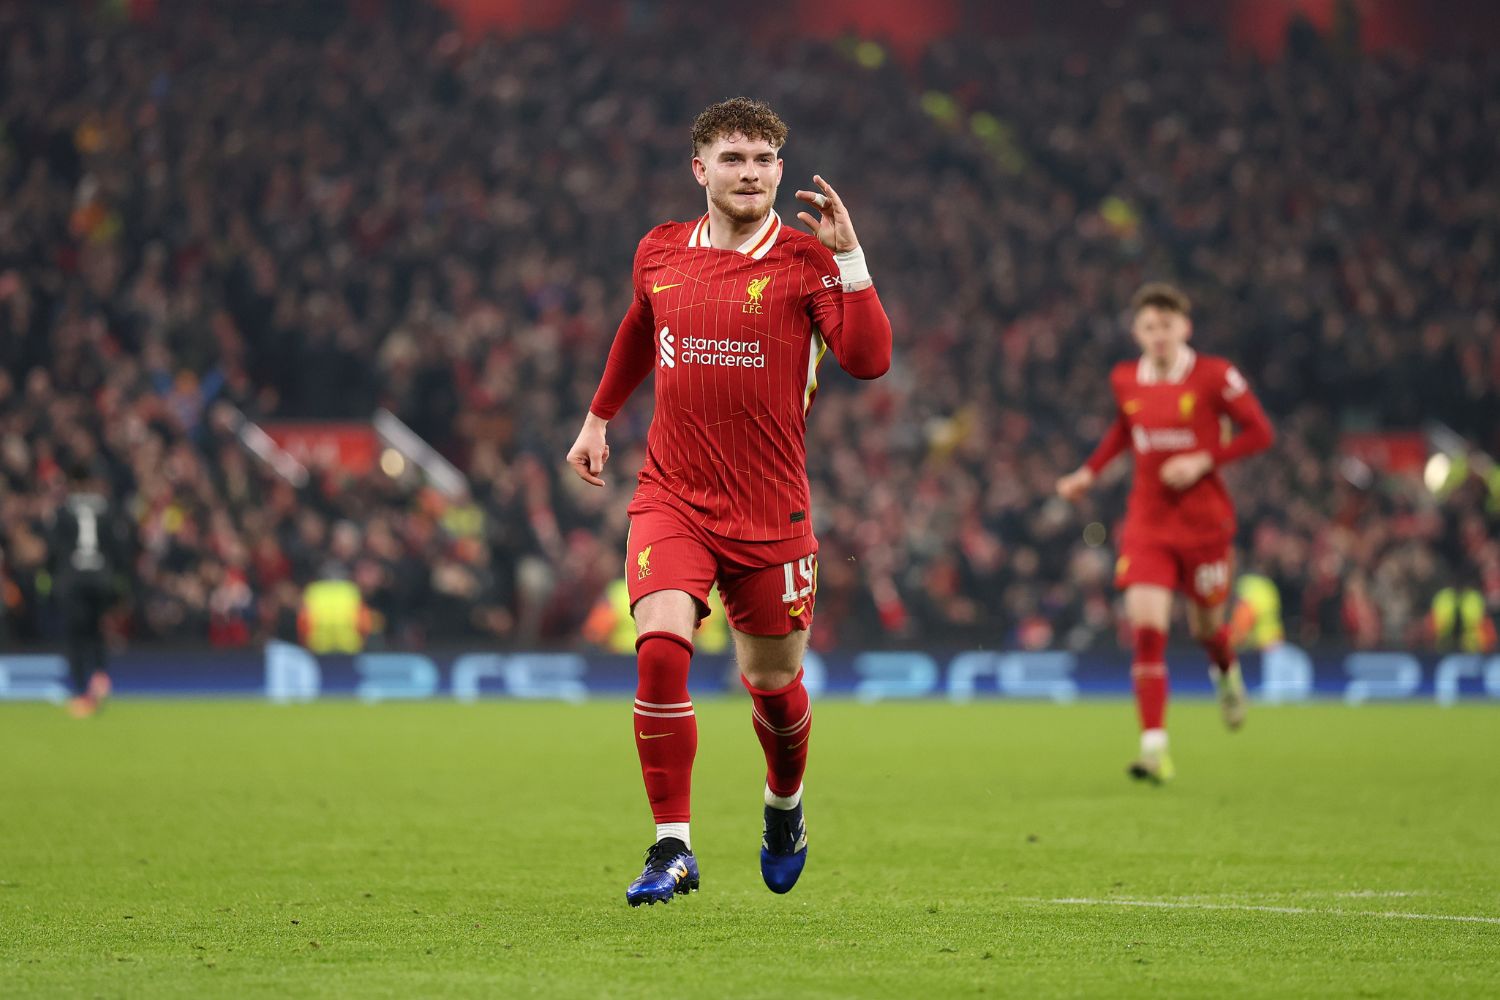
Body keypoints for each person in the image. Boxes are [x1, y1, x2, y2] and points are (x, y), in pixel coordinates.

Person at [566, 97, 892, 905]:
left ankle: (785, 808)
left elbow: (868, 360)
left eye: (764, 160)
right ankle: (672, 845)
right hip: (671, 494)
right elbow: (639, 329)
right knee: (660, 648)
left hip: (771, 512)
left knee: (774, 691)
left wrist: (851, 260)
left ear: (780, 171)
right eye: (734, 158)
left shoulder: (807, 262)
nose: (750, 173)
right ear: (700, 169)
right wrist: (598, 418)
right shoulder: (660, 250)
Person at [1056, 283, 1273, 782]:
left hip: (1204, 527)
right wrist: (1088, 472)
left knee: (1205, 630)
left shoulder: (1216, 376)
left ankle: (1226, 672)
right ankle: (1155, 750)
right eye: (1150, 327)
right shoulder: (1125, 379)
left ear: (1185, 328)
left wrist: (1204, 459)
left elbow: (1261, 432)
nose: (1159, 335)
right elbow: (1123, 431)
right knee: (1148, 632)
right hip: (1148, 525)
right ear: (1137, 332)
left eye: (1167, 326)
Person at [48, 465, 130, 717]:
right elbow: (118, 549)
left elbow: (54, 551)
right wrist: (118, 582)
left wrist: (53, 579)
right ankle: (101, 675)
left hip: (73, 580)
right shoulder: (106, 509)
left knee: (76, 637)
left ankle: (81, 692)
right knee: (96, 631)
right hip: (101, 579)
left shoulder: (63, 511)